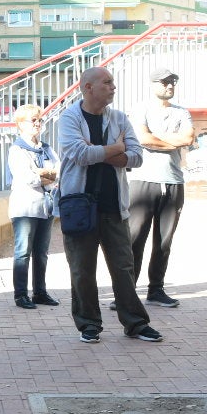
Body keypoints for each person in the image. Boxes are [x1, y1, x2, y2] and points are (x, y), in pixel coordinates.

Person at [57, 67, 162, 343]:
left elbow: (137, 157)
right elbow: (79, 154)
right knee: (82, 270)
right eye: (107, 82)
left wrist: (102, 152)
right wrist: (116, 149)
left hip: (114, 207)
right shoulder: (69, 118)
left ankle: (136, 323)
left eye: (113, 82)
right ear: (88, 87)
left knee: (123, 268)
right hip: (79, 207)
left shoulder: (119, 118)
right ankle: (89, 324)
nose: (113, 86)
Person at [126, 68, 194, 308]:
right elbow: (143, 139)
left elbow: (188, 139)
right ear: (153, 83)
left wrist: (158, 138)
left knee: (164, 241)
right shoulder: (140, 109)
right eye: (165, 82)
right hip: (143, 181)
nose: (170, 86)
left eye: (173, 82)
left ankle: (156, 289)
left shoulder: (182, 111)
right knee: (135, 238)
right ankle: (127, 292)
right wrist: (168, 140)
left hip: (173, 182)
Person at [7, 104, 59, 309]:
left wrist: (42, 173)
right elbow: (27, 178)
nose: (38, 124)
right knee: (23, 252)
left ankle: (40, 292)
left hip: (45, 206)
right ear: (20, 125)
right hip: (25, 207)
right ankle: (21, 294)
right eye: (33, 120)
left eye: (40, 120)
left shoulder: (46, 148)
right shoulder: (17, 150)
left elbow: (58, 170)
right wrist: (45, 174)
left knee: (41, 252)